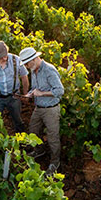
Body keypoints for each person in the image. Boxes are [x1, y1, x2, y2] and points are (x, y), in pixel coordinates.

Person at [19, 47, 64, 175]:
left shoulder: (49, 70)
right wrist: (30, 94)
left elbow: (60, 91)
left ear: (34, 59)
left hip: (51, 109)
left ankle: (55, 162)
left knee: (52, 138)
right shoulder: (34, 70)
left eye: (27, 63)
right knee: (33, 130)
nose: (27, 67)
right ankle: (40, 150)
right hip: (38, 108)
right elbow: (35, 88)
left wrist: (42, 93)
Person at [0, 41, 29, 133]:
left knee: (18, 120)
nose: (4, 57)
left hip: (14, 96)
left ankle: (21, 139)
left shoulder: (16, 60)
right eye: (1, 56)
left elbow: (24, 76)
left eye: (5, 54)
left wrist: (25, 94)